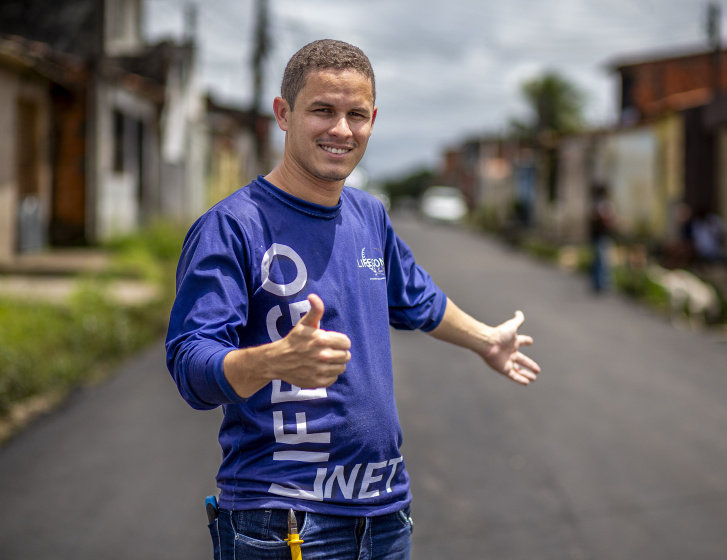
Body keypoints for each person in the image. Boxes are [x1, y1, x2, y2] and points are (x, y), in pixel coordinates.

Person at [165, 39, 540, 560]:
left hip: (385, 517)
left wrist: (485, 341)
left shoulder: (370, 216)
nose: (341, 129)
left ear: (372, 119)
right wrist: (274, 360)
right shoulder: (231, 227)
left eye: (356, 115)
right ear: (283, 113)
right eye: (322, 110)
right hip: (285, 522)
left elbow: (418, 297)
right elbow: (191, 366)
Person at [588, 183, 616, 293]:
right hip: (600, 236)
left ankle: (600, 283)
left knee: (601, 260)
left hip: (601, 236)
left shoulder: (600, 204)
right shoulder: (600, 205)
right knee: (601, 260)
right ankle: (600, 283)